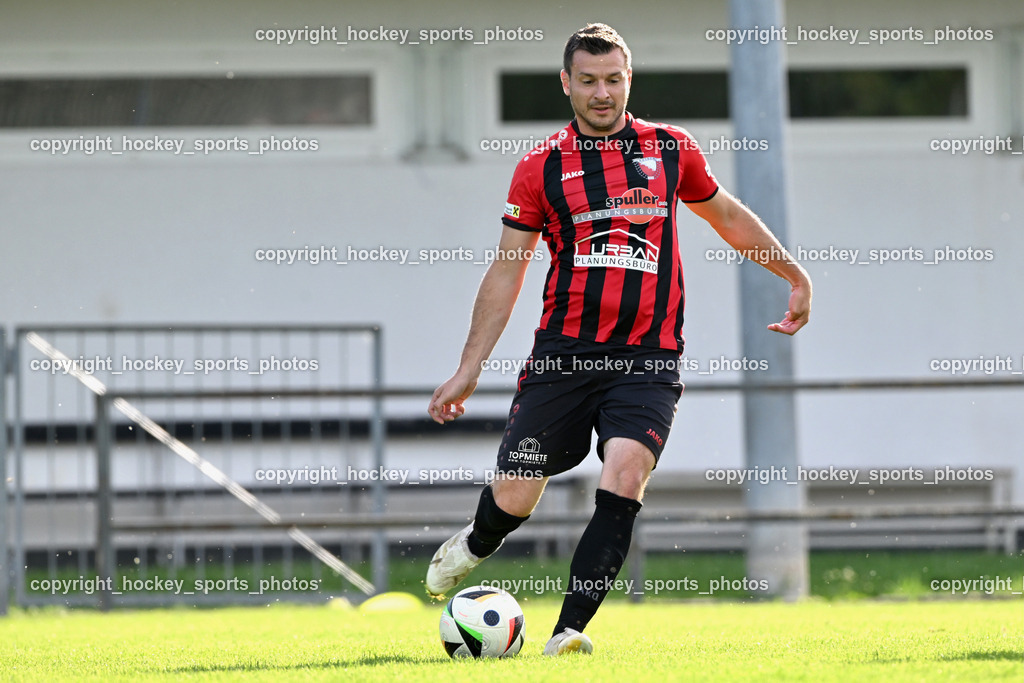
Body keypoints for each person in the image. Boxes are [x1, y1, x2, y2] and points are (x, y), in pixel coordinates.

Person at [425, 22, 811, 655]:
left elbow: (728, 216)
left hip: (648, 359)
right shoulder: (540, 167)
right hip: (564, 356)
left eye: (613, 79)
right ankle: (475, 542)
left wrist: (791, 273)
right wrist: (469, 367)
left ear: (628, 79)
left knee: (625, 474)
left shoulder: (671, 150)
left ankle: (567, 632)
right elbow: (507, 267)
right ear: (566, 83)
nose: (602, 93)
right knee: (518, 491)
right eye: (588, 81)